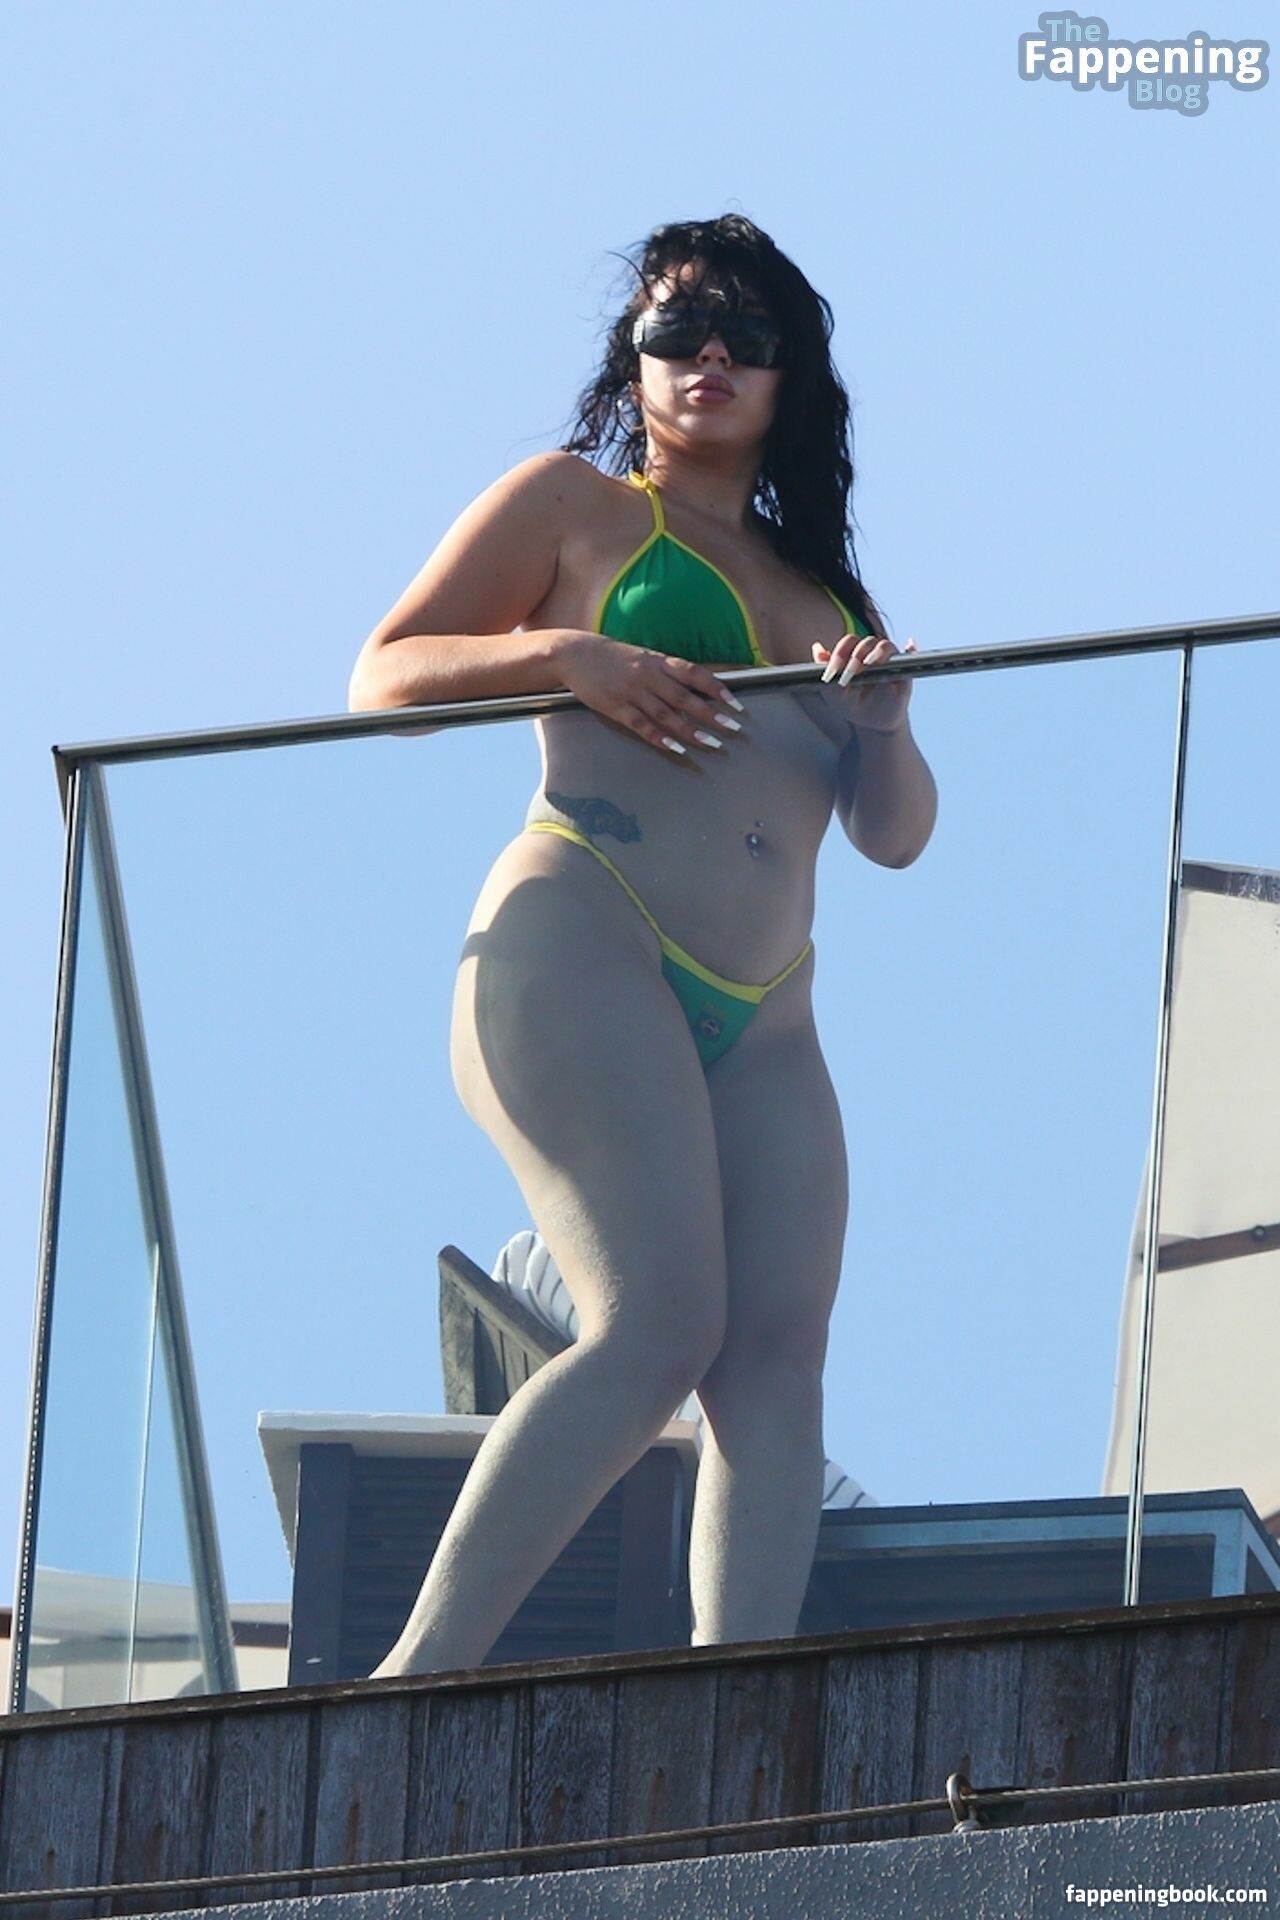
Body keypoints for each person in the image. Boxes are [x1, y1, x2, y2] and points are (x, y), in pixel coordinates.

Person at [347, 213, 937, 1677]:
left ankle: (732, 1721)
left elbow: (895, 836)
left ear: (792, 378)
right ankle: (413, 1683)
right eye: (679, 327)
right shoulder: (575, 504)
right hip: (586, 924)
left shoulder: (830, 597)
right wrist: (569, 654)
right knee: (655, 1323)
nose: (710, 354)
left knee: (776, 1368)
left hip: (771, 1014)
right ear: (636, 361)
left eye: (748, 333)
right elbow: (383, 676)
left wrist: (884, 724)